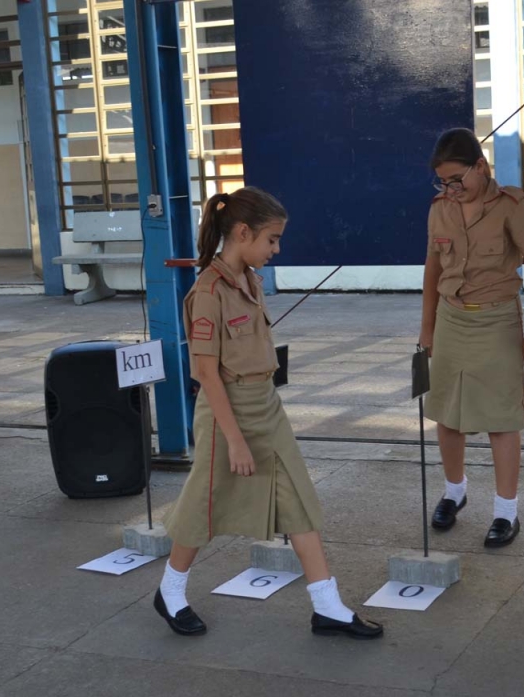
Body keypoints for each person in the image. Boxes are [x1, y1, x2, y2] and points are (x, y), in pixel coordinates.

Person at [153, 187, 383, 639]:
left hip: (265, 406)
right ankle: (171, 591)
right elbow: (206, 372)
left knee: (298, 498)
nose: (276, 249)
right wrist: (234, 439)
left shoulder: (250, 281)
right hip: (227, 413)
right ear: (242, 233)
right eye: (272, 239)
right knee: (204, 503)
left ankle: (327, 605)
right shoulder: (208, 291)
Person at [419, 128, 524, 548]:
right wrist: (427, 328)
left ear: (481, 166)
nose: (451, 189)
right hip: (450, 319)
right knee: (445, 413)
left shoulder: (512, 207)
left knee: (501, 418)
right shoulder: (440, 208)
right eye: (443, 182)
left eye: (457, 180)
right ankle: (454, 491)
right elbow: (432, 269)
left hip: (497, 321)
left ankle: (505, 513)